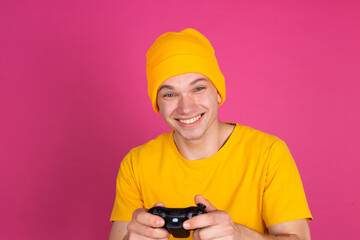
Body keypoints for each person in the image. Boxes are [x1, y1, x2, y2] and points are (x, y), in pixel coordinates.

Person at [109, 28, 312, 240]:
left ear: (217, 91)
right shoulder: (136, 163)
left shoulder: (269, 153)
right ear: (157, 103)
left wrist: (240, 236)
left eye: (198, 89)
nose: (186, 108)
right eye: (170, 94)